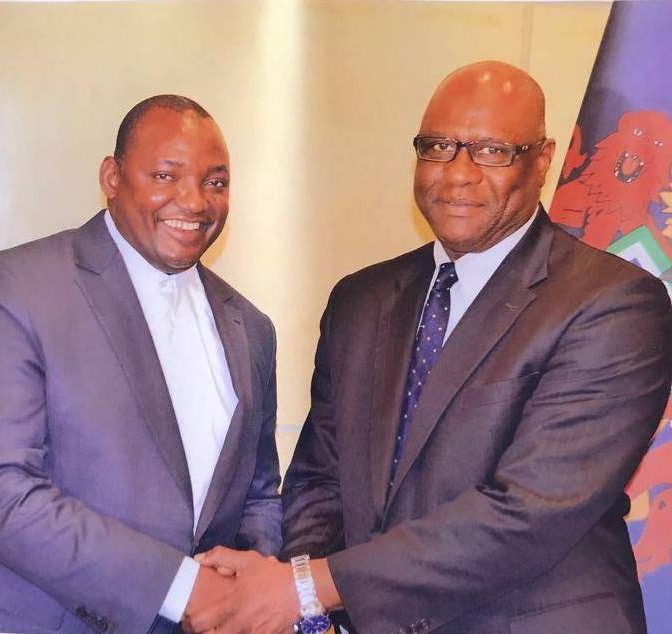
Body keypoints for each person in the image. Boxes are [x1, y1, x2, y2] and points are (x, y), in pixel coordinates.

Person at [185, 61, 672, 634]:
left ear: (542, 160)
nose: (457, 174)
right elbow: (321, 479)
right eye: (437, 147)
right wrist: (317, 614)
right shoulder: (360, 299)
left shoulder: (614, 303)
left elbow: (526, 513)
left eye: (491, 151)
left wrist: (307, 587)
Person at [0, 95, 282, 633]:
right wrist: (182, 589)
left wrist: (240, 585)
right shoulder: (12, 288)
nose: (195, 201)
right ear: (112, 176)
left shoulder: (252, 327)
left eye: (215, 182)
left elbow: (258, 492)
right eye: (165, 174)